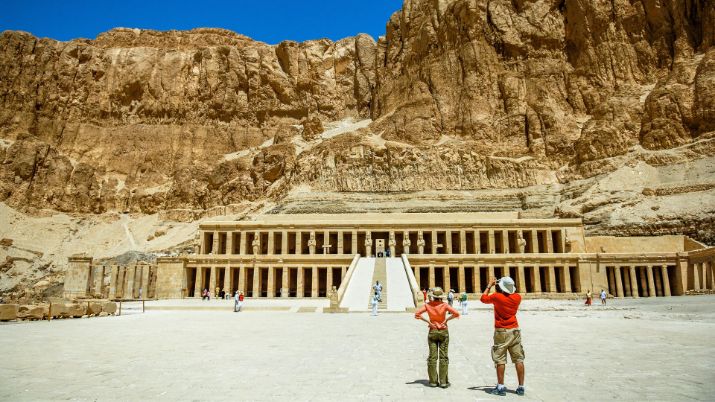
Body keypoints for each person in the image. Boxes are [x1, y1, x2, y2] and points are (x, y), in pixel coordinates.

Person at [481, 277, 525, 396]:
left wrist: (489, 285)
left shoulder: (497, 297)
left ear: (501, 287)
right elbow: (511, 292)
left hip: (502, 331)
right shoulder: (517, 297)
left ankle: (500, 387)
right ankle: (521, 387)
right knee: (518, 359)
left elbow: (483, 298)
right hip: (515, 330)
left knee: (500, 359)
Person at [414, 287, 460, 388]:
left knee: (432, 357)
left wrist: (429, 322)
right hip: (443, 331)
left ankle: (433, 381)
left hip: (432, 331)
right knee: (443, 357)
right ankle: (443, 382)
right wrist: (446, 320)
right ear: (441, 297)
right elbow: (456, 313)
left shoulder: (428, 305)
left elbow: (417, 314)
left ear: (432, 297)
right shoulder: (444, 305)